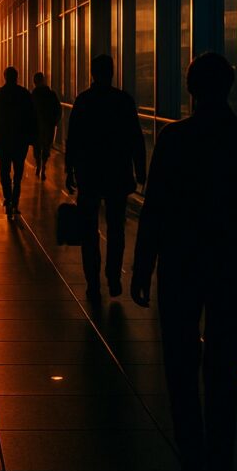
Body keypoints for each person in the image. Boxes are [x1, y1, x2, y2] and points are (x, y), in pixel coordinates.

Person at [131, 53, 237, 471]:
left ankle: (192, 454)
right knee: (223, 369)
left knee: (180, 363)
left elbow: (154, 207)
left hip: (182, 266)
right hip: (233, 268)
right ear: (229, 88)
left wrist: (141, 266)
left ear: (191, 89)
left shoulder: (174, 140)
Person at [65, 54, 145, 300]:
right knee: (116, 228)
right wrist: (140, 169)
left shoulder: (84, 101)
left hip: (89, 173)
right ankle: (113, 277)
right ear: (112, 72)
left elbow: (74, 138)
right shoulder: (123, 101)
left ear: (92, 73)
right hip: (117, 172)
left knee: (89, 229)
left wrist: (70, 169)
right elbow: (135, 137)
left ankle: (93, 282)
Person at [0, 66, 37, 218]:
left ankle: (7, 198)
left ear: (4, 77)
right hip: (20, 140)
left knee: (4, 170)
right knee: (18, 171)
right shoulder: (24, 94)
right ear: (17, 77)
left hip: (3, 140)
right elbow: (31, 117)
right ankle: (15, 199)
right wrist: (33, 137)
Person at [31, 71, 62, 180]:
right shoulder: (51, 94)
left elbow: (29, 111)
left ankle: (39, 165)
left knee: (37, 146)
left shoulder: (33, 95)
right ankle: (43, 166)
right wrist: (55, 121)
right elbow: (58, 108)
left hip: (36, 126)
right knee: (46, 146)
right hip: (49, 124)